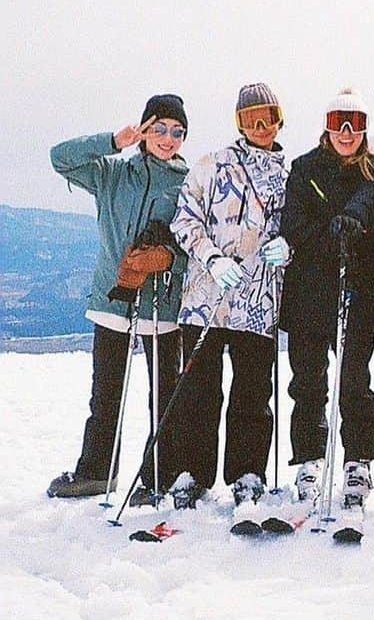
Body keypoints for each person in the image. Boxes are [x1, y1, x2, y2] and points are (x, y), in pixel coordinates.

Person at [46, 96, 190, 502]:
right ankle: (96, 472)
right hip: (114, 300)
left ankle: (160, 477)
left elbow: (194, 244)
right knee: (105, 393)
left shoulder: (188, 183)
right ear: (144, 129)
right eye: (159, 128)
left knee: (163, 397)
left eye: (177, 132)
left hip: (162, 306)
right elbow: (60, 159)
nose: (167, 138)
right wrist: (113, 140)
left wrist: (169, 260)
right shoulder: (113, 173)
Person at [168, 83, 289, 510]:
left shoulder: (288, 175)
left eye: (268, 117)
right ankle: (192, 472)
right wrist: (212, 258)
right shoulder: (211, 165)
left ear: (279, 119)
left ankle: (247, 472)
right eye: (250, 118)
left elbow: (297, 229)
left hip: (258, 300)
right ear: (239, 122)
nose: (260, 127)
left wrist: (287, 248)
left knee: (253, 390)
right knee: (199, 388)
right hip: (207, 297)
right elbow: (185, 220)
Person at [278, 88, 374, 515]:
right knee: (308, 383)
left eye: (356, 123)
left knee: (354, 381)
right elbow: (293, 222)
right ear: (326, 124)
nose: (347, 132)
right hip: (310, 291)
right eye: (340, 121)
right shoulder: (305, 168)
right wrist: (330, 238)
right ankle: (308, 460)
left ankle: (358, 460)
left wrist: (358, 233)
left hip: (355, 290)